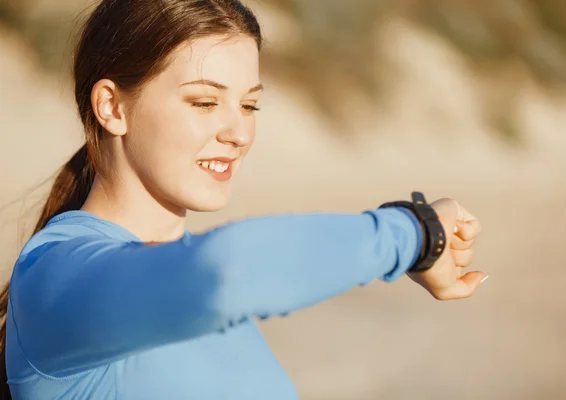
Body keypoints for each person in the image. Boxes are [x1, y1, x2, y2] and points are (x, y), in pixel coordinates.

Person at [0, 0, 485, 399]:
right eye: (205, 102)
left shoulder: (199, 292)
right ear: (112, 106)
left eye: (249, 104)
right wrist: (413, 232)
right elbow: (229, 270)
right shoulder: (55, 273)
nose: (238, 133)